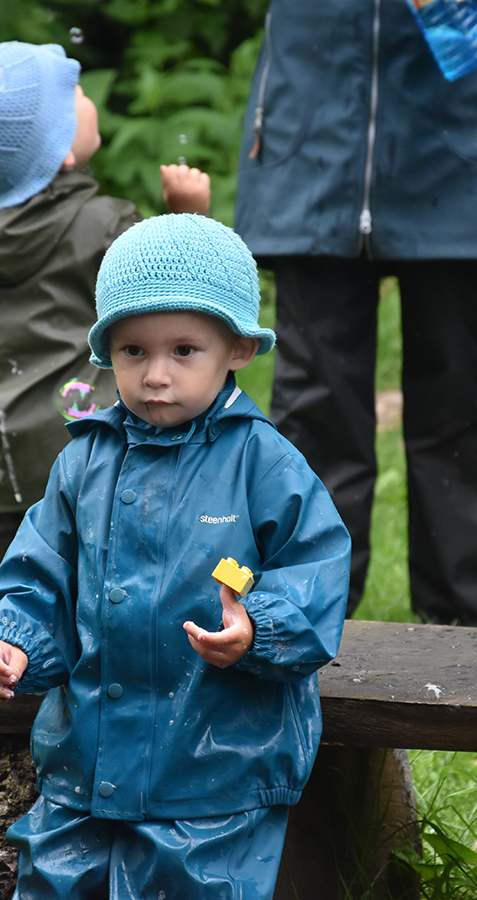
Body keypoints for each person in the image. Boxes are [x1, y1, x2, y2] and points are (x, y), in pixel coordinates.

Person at [0, 213, 351, 900]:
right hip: (85, 759)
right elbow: (41, 569)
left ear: (237, 348)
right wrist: (17, 642)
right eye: (132, 352)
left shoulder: (262, 461)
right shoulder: (84, 461)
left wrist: (259, 629)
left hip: (213, 764)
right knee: (54, 883)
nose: (155, 376)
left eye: (184, 351)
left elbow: (315, 568)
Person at [0, 41, 210, 598]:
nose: (88, 96)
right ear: (58, 150)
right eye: (75, 92)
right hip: (82, 449)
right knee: (94, 588)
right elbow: (169, 298)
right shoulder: (99, 225)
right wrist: (187, 217)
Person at [234, 0, 477, 625]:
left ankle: (462, 635)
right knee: (315, 411)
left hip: (458, 134)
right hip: (313, 142)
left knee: (461, 405)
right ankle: (298, 625)